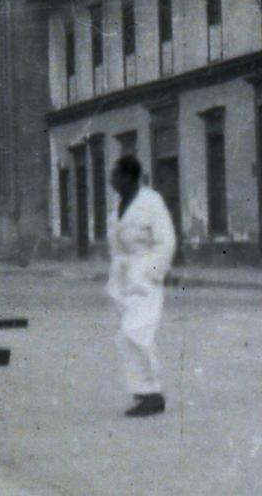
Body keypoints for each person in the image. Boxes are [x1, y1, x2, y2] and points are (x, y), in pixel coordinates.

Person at [106, 154, 176, 418]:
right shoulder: (119, 205)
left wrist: (151, 273)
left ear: (127, 177)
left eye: (115, 175)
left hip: (145, 277)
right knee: (125, 336)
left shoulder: (151, 202)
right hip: (123, 279)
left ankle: (152, 393)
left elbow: (166, 241)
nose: (112, 180)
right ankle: (142, 391)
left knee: (137, 332)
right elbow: (116, 244)